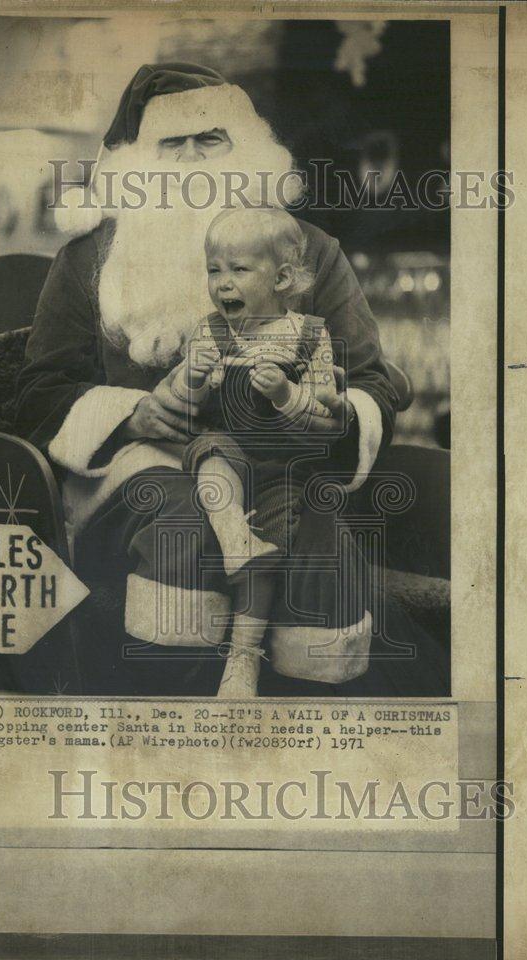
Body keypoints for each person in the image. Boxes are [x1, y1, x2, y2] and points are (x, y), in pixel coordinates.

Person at [11, 62, 447, 697]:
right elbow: (39, 396)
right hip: (143, 473)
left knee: (316, 534)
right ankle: (175, 738)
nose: (190, 158)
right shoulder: (87, 260)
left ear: (245, 148)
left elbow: (372, 382)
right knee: (182, 524)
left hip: (281, 468)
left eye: (209, 137)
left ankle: (312, 721)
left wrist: (334, 411)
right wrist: (133, 415)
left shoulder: (311, 251)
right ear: (135, 163)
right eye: (170, 143)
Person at [167, 206, 349, 698]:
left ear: (283, 277)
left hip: (282, 464)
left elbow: (323, 418)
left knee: (272, 545)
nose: (222, 283)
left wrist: (285, 395)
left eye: (239, 269)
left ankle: (243, 657)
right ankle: (233, 533)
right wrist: (192, 377)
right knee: (209, 448)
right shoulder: (210, 331)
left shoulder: (310, 335)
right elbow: (184, 414)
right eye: (214, 270)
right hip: (225, 453)